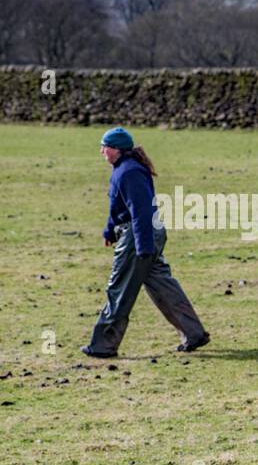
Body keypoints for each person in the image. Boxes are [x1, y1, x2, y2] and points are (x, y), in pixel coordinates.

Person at [81, 127, 209, 359]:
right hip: (143, 233)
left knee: (119, 288)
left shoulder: (128, 172)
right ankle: (194, 333)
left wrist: (143, 248)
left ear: (117, 149)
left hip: (139, 235)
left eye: (105, 147)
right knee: (163, 286)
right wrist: (109, 231)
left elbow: (141, 211)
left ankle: (103, 345)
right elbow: (118, 206)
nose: (102, 151)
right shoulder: (122, 169)